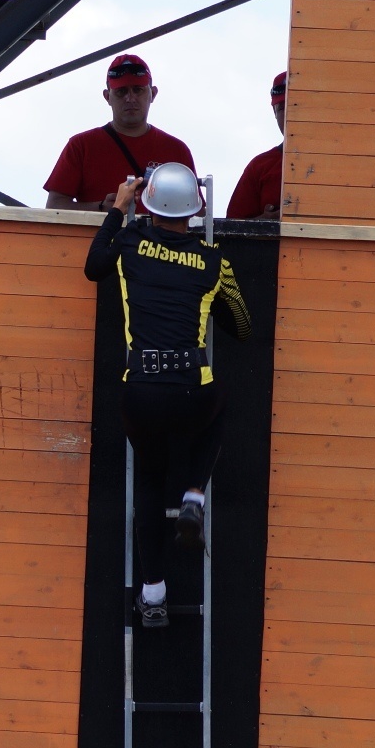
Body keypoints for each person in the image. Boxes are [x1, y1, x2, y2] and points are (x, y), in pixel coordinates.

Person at [83, 163, 252, 627]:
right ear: (195, 209)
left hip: (139, 393)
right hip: (190, 391)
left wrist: (118, 209)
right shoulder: (213, 260)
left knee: (149, 483)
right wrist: (217, 287)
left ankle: (153, 595)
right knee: (218, 404)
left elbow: (93, 266)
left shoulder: (129, 244)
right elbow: (241, 327)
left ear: (147, 202)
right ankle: (196, 495)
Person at [45, 54, 195, 211]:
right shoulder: (80, 146)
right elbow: (54, 207)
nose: (130, 98)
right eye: (121, 91)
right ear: (107, 96)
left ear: (153, 94)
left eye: (138, 90)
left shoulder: (177, 150)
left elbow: (197, 214)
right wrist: (102, 208)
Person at [226, 71, 288, 220]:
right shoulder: (260, 166)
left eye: (295, 105)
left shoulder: (342, 163)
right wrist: (263, 224)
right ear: (274, 113)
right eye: (281, 108)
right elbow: (232, 230)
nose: (288, 114)